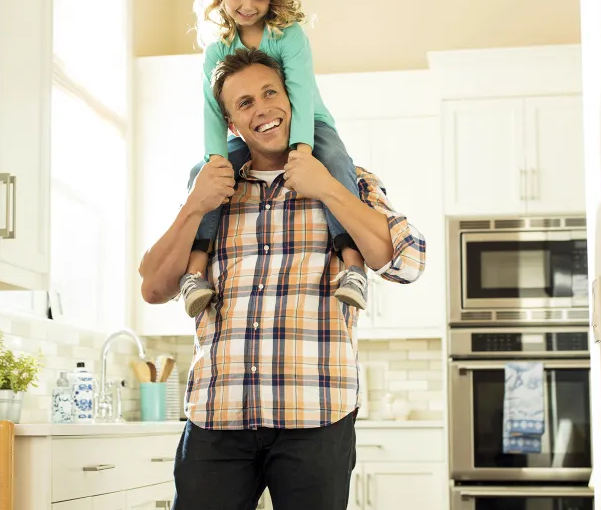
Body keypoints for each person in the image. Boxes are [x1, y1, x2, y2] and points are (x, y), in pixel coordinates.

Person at [139, 49, 426, 510]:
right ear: (231, 123)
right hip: (218, 416)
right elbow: (153, 288)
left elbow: (408, 261)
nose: (263, 109)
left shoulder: (346, 177)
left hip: (316, 415)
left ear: (293, 99)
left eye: (270, 92)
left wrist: (327, 187)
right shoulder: (213, 188)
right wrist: (194, 205)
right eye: (245, 103)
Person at [179, 0, 369, 318]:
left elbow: (298, 94)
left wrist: (301, 153)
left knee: (332, 159)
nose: (248, 6)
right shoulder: (217, 49)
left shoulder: (288, 36)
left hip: (308, 123)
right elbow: (213, 111)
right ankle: (195, 272)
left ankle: (353, 265)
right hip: (250, 137)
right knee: (203, 174)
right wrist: (216, 159)